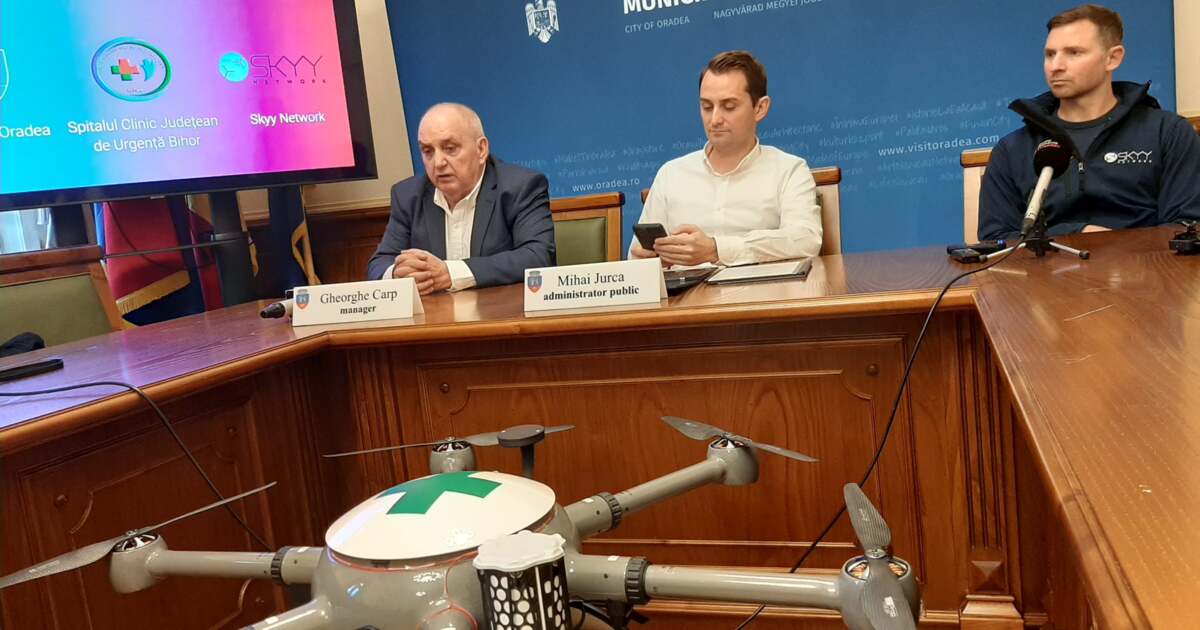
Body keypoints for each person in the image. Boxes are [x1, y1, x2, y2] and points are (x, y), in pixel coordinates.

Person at [978, 4, 1200, 241]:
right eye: (1050, 54)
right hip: (1048, 264)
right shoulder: (1012, 150)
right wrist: (1076, 235)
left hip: (1146, 262)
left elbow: (1187, 227)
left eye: (1074, 52)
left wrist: (1117, 246)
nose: (1056, 66)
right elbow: (995, 239)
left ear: (1113, 58)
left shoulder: (1168, 133)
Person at [630, 51, 822, 267]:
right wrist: (649, 261)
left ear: (760, 108)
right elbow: (635, 257)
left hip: (761, 287)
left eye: (729, 107)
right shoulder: (671, 174)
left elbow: (805, 240)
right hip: (685, 288)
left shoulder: (789, 170)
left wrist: (716, 249)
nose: (715, 120)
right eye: (706, 107)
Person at [366, 103, 555, 293]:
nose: (438, 163)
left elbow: (538, 256)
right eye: (428, 151)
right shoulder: (408, 196)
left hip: (501, 309)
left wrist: (451, 273)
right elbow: (379, 264)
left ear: (481, 149)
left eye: (450, 148)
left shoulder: (520, 187)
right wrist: (398, 273)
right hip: (436, 312)